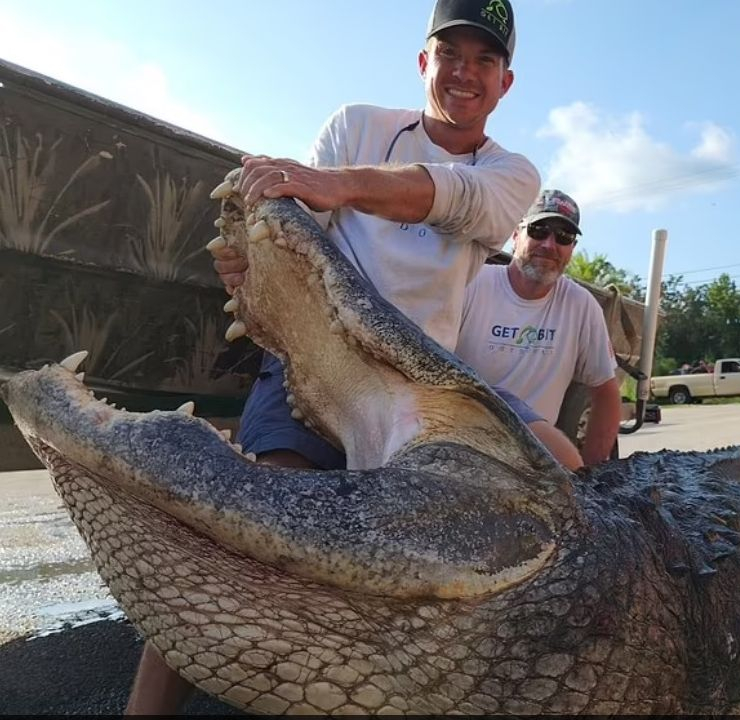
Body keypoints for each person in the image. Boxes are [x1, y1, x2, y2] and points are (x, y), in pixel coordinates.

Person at [126, 0, 545, 713]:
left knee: (401, 567)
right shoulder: (358, 125)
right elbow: (292, 234)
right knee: (245, 520)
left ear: (505, 82)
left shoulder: (513, 175)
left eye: (484, 59)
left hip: (415, 392)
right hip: (311, 355)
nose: (464, 72)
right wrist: (250, 265)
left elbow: (456, 197)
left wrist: (338, 184)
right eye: (450, 54)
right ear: (424, 63)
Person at [454, 189, 622, 466]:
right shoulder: (470, 285)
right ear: (516, 235)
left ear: (572, 249)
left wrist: (594, 479)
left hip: (534, 463)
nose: (549, 244)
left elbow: (605, 392)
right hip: (461, 448)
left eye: (564, 237)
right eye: (539, 230)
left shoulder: (580, 305)